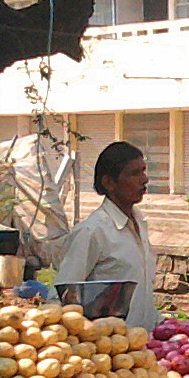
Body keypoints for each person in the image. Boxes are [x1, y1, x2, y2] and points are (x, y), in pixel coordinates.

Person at [58, 140, 159, 330]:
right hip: (107, 349)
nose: (144, 179)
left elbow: (143, 295)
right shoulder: (92, 231)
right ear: (109, 182)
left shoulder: (140, 223)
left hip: (142, 345)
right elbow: (62, 297)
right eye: (134, 173)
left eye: (143, 171)